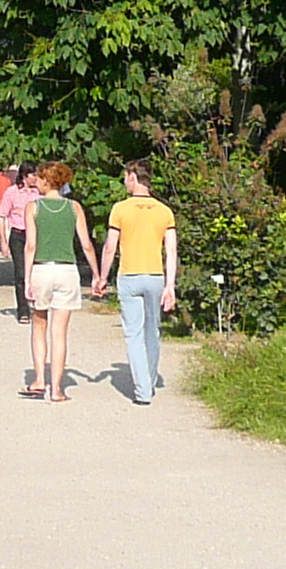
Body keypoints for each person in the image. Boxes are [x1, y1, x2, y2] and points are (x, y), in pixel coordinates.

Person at [93, 161, 180, 406]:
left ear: (133, 177)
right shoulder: (164, 211)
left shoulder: (120, 209)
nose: (124, 181)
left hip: (129, 275)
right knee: (152, 331)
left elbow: (110, 247)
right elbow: (171, 251)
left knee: (133, 334)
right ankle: (149, 381)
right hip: (155, 276)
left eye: (125, 177)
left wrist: (102, 277)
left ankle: (143, 390)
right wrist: (170, 285)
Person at [20, 162, 98, 401]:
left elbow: (30, 245)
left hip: (42, 269)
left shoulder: (33, 208)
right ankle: (57, 388)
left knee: (39, 326)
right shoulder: (74, 208)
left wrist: (26, 278)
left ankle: (39, 380)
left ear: (45, 181)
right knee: (60, 333)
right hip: (67, 271)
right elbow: (86, 244)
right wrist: (96, 274)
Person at [0, 165, 38, 324]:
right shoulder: (12, 192)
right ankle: (23, 310)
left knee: (37, 271)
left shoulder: (39, 193)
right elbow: (2, 216)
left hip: (36, 235)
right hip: (18, 234)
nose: (36, 178)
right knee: (20, 273)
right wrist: (3, 241)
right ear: (25, 175)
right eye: (33, 174)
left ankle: (38, 307)